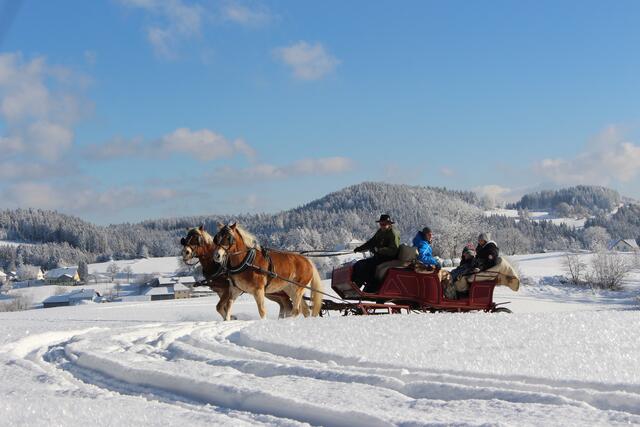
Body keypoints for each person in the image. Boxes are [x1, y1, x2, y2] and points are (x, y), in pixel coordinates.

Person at [352, 214, 401, 293]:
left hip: (389, 258)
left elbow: (394, 250)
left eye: (384, 224)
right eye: (381, 224)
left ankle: (373, 287)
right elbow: (371, 242)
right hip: (380, 256)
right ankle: (354, 286)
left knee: (368, 267)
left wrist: (379, 250)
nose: (382, 226)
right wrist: (360, 248)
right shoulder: (380, 231)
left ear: (389, 224)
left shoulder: (393, 234)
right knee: (359, 264)